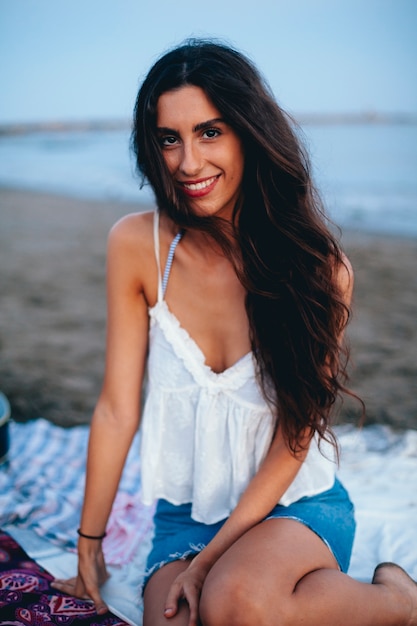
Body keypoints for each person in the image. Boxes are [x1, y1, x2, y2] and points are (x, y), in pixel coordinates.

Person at [52, 39, 417, 626]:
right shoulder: (137, 246)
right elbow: (118, 410)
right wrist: (89, 546)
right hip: (185, 514)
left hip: (294, 505)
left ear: (250, 132)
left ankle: (398, 601)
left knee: (235, 602)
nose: (189, 163)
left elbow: (296, 439)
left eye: (210, 132)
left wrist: (209, 566)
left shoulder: (320, 269)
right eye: (170, 138)